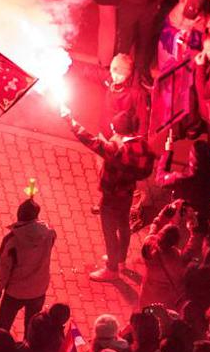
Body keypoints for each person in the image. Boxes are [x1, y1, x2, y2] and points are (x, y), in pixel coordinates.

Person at [65, 108, 155, 281]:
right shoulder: (142, 144)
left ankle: (111, 269)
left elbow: (90, 141)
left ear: (115, 129)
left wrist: (70, 120)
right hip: (127, 191)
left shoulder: (116, 148)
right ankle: (120, 259)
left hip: (112, 195)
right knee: (123, 225)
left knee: (109, 231)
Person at [0, 197, 56, 338]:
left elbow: (2, 267)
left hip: (15, 291)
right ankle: (27, 350)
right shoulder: (49, 233)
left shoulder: (12, 240)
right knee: (31, 327)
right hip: (38, 288)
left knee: (3, 326)